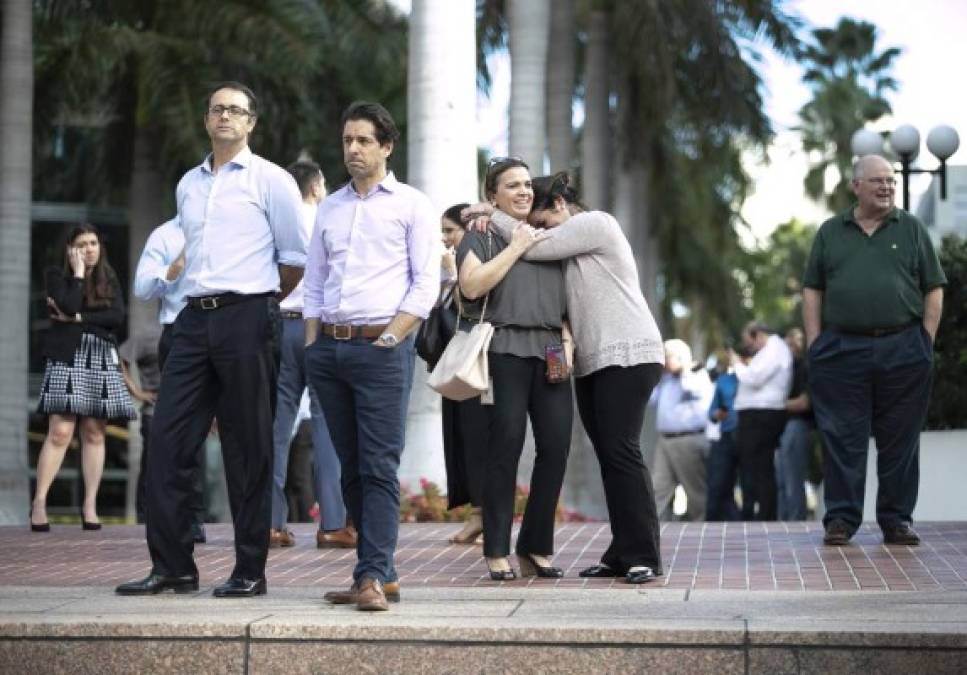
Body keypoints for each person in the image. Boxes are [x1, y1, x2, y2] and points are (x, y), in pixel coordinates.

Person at [117, 81, 307, 598]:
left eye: (236, 110)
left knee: (248, 447)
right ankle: (174, 566)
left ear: (251, 123)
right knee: (168, 441)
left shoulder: (273, 181)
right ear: (206, 120)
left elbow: (295, 261)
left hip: (247, 316)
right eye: (217, 109)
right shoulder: (188, 185)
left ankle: (250, 570)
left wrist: (260, 306)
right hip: (189, 323)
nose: (225, 116)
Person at [479, 171, 667, 583]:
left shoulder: (595, 223)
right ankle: (621, 553)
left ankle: (644, 556)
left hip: (629, 353)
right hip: (593, 362)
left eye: (542, 220)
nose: (538, 228)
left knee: (622, 452)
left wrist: (491, 212)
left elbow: (529, 246)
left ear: (560, 206)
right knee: (610, 457)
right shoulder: (571, 244)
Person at [306, 102, 437, 611]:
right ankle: (383, 570)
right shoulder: (330, 208)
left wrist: (392, 337)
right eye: (347, 141)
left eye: (363, 141)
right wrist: (314, 341)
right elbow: (315, 280)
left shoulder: (411, 205)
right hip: (329, 352)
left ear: (386, 146)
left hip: (382, 350)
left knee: (379, 466)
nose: (353, 150)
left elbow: (425, 282)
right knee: (351, 469)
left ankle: (369, 576)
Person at [803, 154, 946, 546]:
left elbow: (934, 287)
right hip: (840, 349)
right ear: (857, 186)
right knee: (841, 437)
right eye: (878, 181)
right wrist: (815, 343)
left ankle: (897, 520)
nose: (886, 187)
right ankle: (841, 520)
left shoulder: (912, 228)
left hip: (903, 346)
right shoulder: (831, 232)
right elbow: (813, 288)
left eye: (891, 181)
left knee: (900, 438)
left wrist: (925, 339)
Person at [457, 158, 571, 582]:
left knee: (556, 448)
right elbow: (470, 286)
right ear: (493, 195)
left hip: (551, 350)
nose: (523, 191)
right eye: (512, 185)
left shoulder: (552, 235)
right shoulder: (480, 234)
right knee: (505, 448)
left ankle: (536, 545)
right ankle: (497, 550)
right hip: (504, 348)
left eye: (527, 184)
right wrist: (515, 246)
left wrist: (569, 339)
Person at [268, 160, 355, 550]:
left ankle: (271, 524)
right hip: (317, 327)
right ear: (317, 186)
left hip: (280, 324)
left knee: (276, 426)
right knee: (326, 424)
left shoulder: (274, 220)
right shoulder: (329, 216)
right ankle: (332, 524)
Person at [31, 224, 136, 532]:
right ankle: (39, 502)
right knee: (60, 431)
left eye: (93, 243)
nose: (90, 248)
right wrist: (77, 276)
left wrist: (76, 320)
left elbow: (116, 318)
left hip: (100, 357)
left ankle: (89, 505)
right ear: (70, 249)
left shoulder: (109, 277)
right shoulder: (56, 276)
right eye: (82, 244)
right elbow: (68, 303)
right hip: (67, 356)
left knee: (94, 432)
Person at [127, 217, 207, 543]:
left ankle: (198, 518)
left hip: (227, 329)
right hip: (178, 330)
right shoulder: (165, 234)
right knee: (174, 431)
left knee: (214, 435)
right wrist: (172, 271)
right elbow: (142, 287)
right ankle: (174, 522)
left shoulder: (235, 226)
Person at [437, 203, 489, 545]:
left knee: (477, 439)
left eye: (450, 231)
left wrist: (453, 276)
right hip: (454, 365)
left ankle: (483, 514)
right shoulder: (451, 262)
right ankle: (476, 513)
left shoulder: (475, 257)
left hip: (476, 363)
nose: (445, 239)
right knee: (461, 439)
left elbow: (470, 301)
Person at [731, 321, 793, 521]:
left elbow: (754, 378)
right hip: (756, 413)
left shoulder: (775, 349)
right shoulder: (769, 351)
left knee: (761, 466)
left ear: (758, 335)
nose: (749, 349)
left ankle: (766, 514)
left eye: (749, 343)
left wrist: (737, 363)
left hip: (763, 414)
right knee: (756, 466)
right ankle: (762, 512)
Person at [650, 339, 713, 523]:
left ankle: (702, 527)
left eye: (667, 357)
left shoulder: (697, 373)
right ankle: (657, 528)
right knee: (659, 487)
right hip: (665, 440)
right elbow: (651, 399)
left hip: (688, 439)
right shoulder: (666, 379)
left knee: (695, 491)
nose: (664, 362)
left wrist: (684, 368)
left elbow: (691, 388)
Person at [775, 328, 814, 521]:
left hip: (798, 425)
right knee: (781, 481)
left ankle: (796, 522)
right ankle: (783, 521)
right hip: (783, 428)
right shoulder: (785, 370)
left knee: (793, 480)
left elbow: (804, 402)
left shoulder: (805, 366)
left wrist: (774, 403)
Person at [706, 349, 740, 521]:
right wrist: (716, 414)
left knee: (751, 484)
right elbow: (711, 412)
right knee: (718, 484)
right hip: (726, 435)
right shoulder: (723, 380)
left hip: (749, 435)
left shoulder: (752, 377)